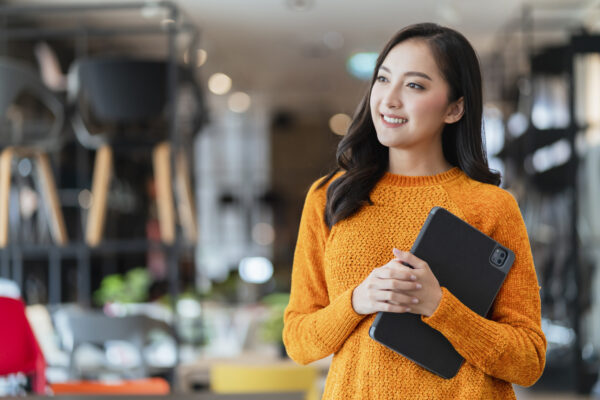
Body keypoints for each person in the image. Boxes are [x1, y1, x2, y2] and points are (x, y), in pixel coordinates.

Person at [282, 23, 546, 399]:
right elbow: (298, 340)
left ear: (455, 108)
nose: (389, 99)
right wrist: (358, 300)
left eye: (415, 85)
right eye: (383, 79)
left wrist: (440, 306)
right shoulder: (330, 196)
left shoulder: (491, 206)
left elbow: (528, 361)